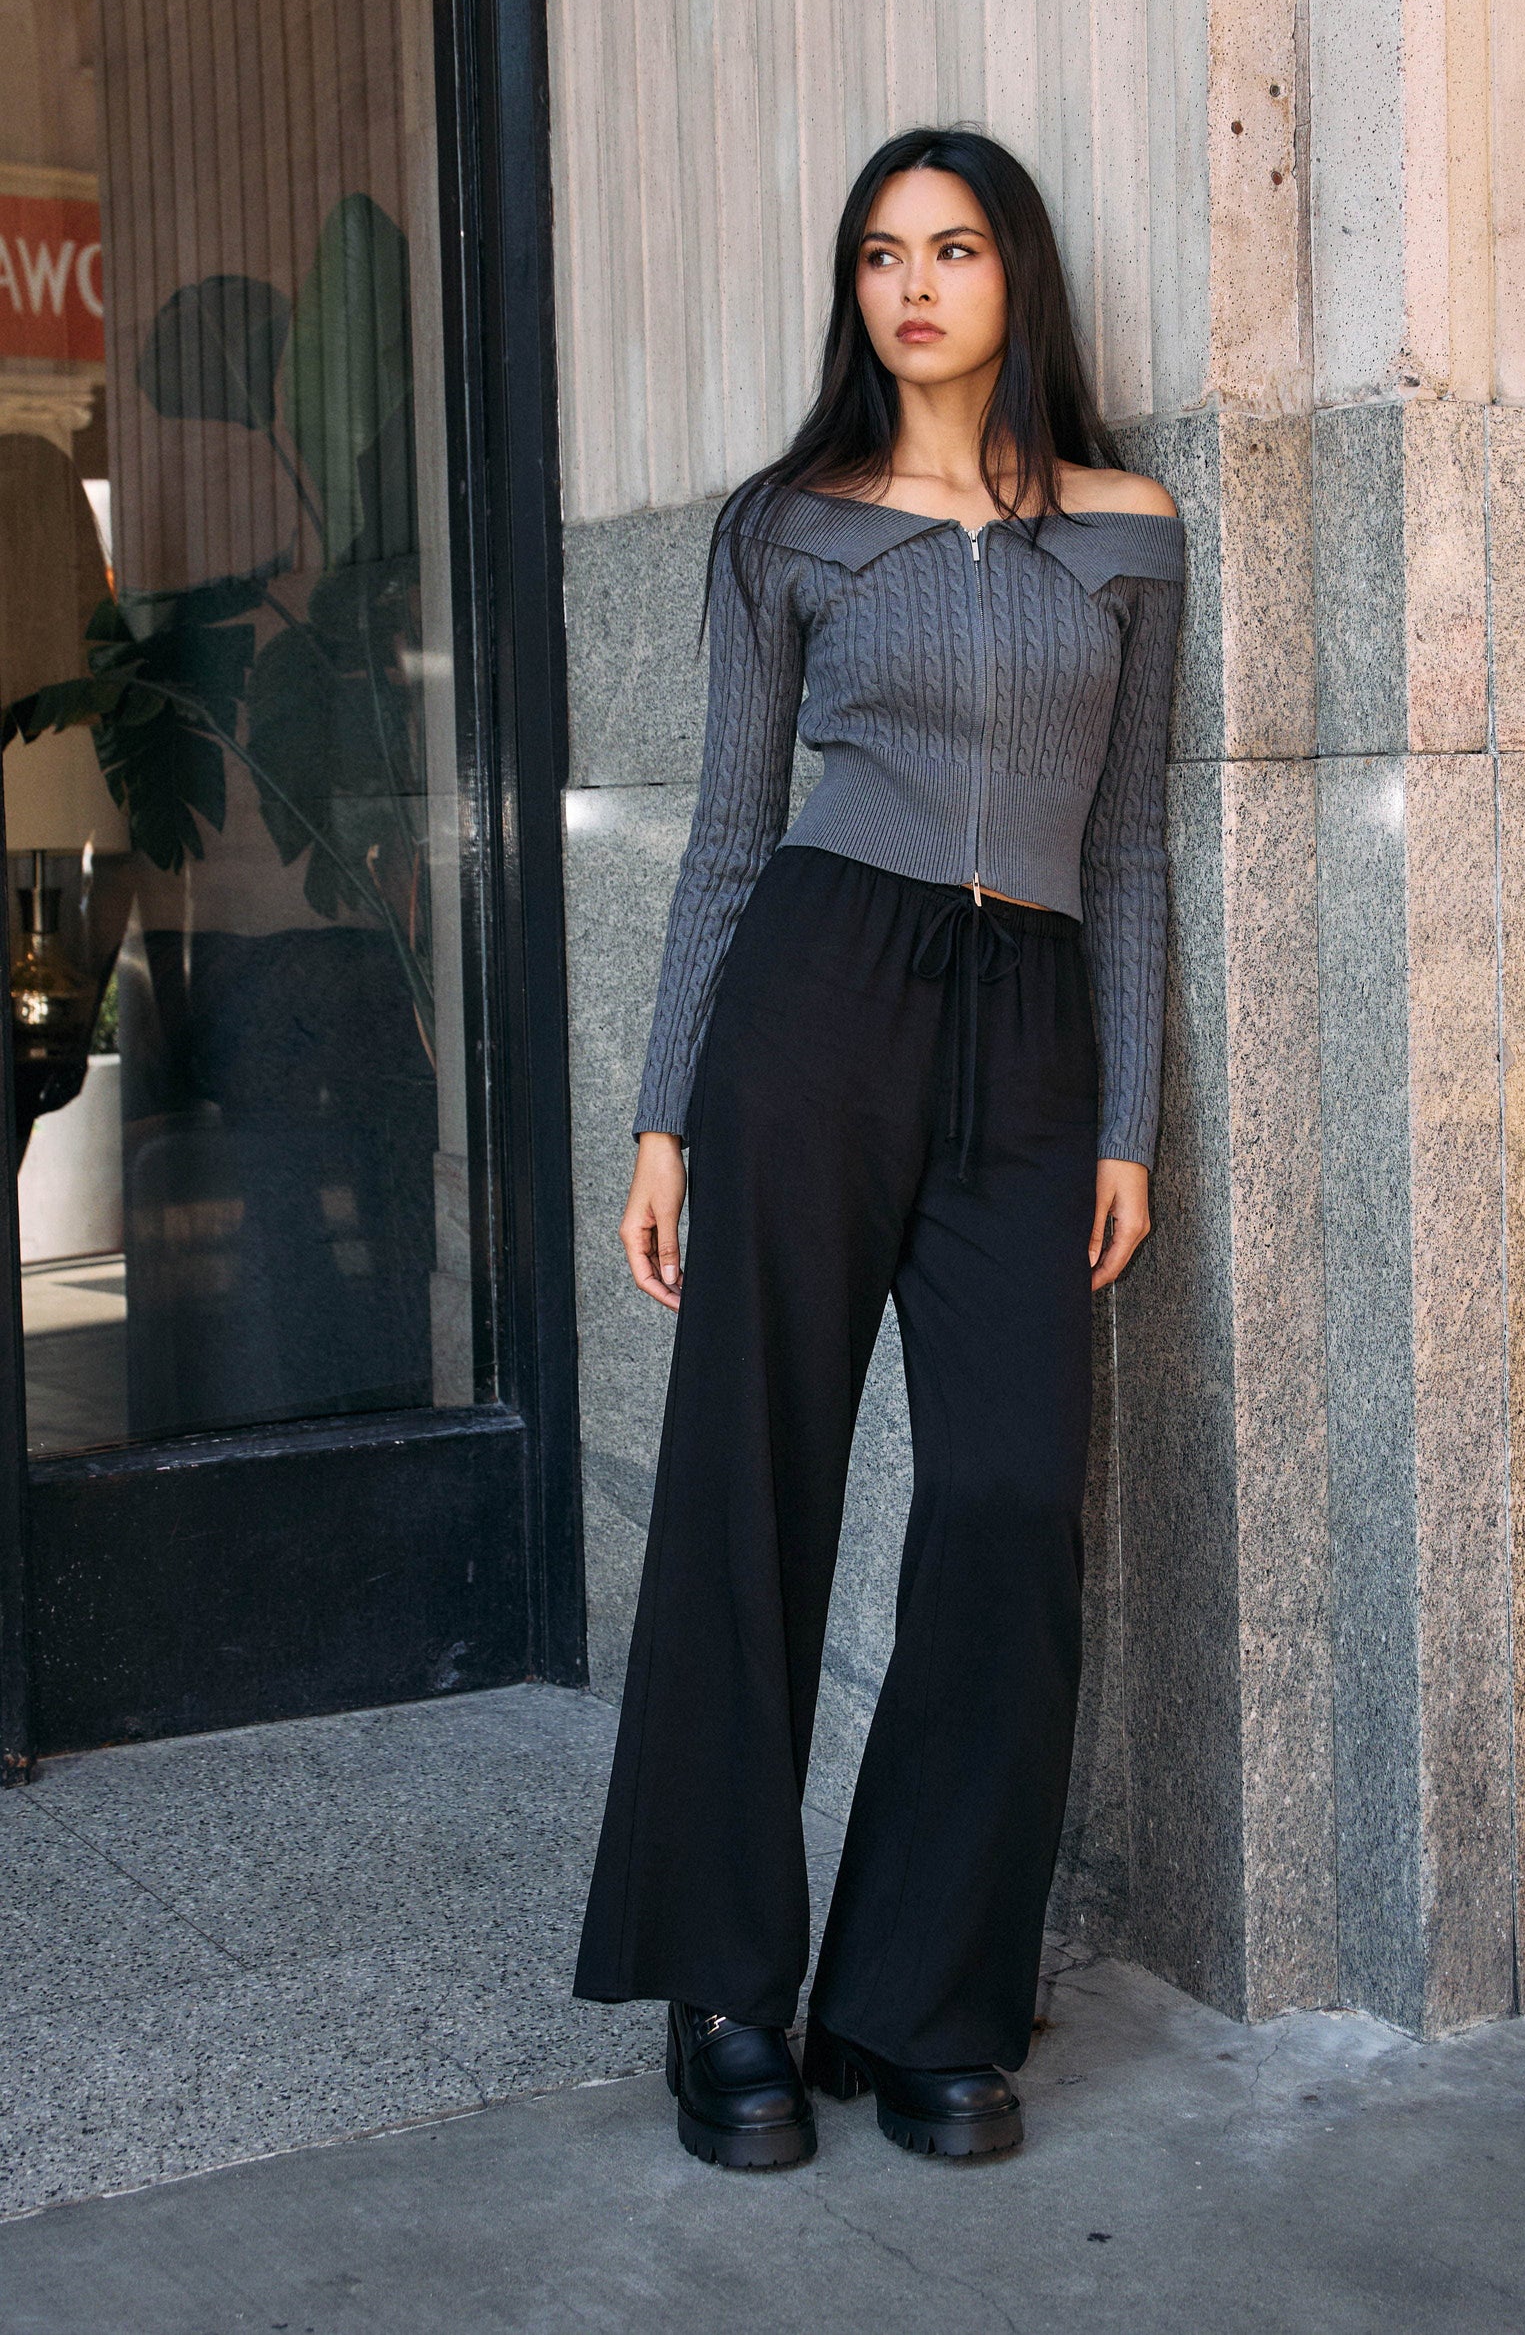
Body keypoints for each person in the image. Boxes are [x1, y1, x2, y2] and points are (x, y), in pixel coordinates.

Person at [571, 126, 1184, 2172]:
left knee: (1009, 1501)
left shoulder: (1124, 530)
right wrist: (663, 1109)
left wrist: (1123, 1116)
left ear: (1018, 276)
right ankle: (727, 1990)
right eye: (878, 253)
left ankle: (921, 1994)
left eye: (953, 246)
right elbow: (732, 830)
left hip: (1033, 1036)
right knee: (757, 1486)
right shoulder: (788, 526)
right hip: (817, 1001)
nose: (913, 283)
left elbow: (1132, 841)